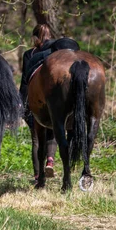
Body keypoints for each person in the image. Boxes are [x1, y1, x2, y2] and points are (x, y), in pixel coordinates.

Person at [20, 24, 80, 180]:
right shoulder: (57, 55)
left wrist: (22, 102)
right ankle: (50, 161)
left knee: (36, 138)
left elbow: (25, 80)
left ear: (35, 37)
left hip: (35, 100)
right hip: (55, 99)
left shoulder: (30, 54)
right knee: (53, 131)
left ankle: (37, 174)